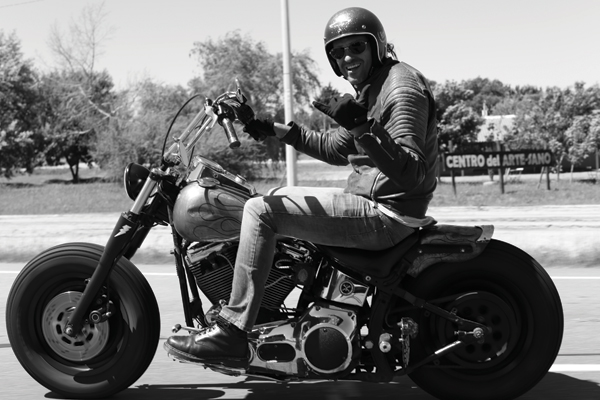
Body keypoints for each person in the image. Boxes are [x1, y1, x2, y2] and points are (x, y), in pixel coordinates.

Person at [165, 6, 439, 368]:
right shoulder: (374, 88)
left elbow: (412, 172)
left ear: (376, 45)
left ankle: (232, 330)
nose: (347, 57)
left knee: (260, 211)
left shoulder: (400, 88)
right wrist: (266, 127)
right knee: (272, 198)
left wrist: (362, 126)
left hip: (386, 213)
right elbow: (334, 147)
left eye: (356, 47)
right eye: (338, 52)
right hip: (373, 202)